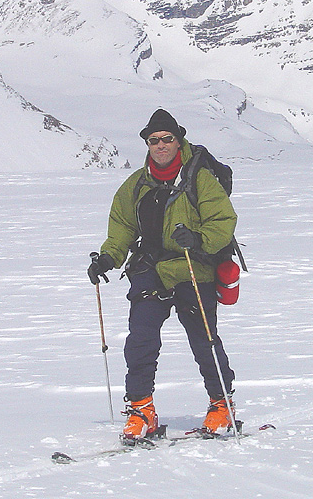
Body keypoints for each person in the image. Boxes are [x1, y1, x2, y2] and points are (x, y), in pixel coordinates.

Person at [88, 108, 238, 442]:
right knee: (141, 338)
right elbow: (122, 228)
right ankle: (142, 409)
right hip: (150, 269)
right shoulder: (136, 185)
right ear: (147, 144)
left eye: (167, 138)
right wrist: (108, 258)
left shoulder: (200, 179)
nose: (160, 145)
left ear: (178, 139)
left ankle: (221, 404)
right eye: (154, 140)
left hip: (193, 267)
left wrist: (199, 240)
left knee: (204, 339)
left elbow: (223, 220)